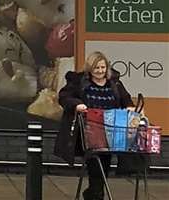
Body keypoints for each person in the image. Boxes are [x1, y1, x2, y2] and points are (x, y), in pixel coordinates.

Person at [54, 50, 136, 200]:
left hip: (110, 131)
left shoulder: (115, 83)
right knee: (96, 162)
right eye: (97, 68)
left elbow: (126, 99)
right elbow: (64, 96)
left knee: (104, 163)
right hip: (89, 130)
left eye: (103, 68)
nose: (100, 71)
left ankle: (93, 193)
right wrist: (77, 105)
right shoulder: (79, 82)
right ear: (90, 69)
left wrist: (130, 108)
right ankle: (96, 194)